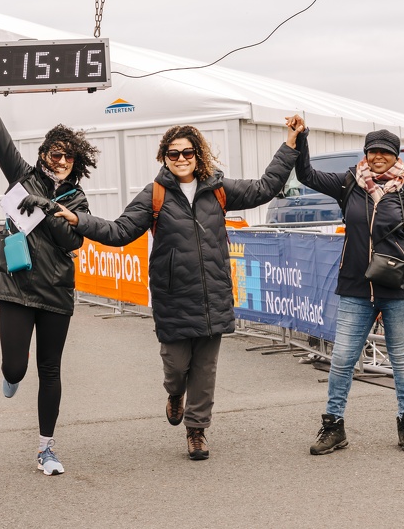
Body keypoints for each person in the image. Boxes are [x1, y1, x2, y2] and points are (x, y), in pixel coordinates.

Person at [53, 122, 301, 461]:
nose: (181, 158)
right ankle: (174, 395)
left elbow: (265, 187)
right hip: (172, 296)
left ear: (197, 155)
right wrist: (80, 221)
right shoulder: (154, 193)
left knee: (205, 368)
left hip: (213, 294)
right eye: (174, 153)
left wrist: (289, 145)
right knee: (176, 366)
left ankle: (197, 430)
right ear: (165, 157)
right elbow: (120, 230)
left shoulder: (218, 188)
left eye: (187, 152)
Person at [0, 60, 99, 477]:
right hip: (17, 286)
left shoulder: (77, 200)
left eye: (68, 158)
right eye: (55, 155)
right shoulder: (22, 177)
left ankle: (46, 448)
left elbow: (72, 241)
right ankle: (10, 376)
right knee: (15, 368)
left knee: (50, 370)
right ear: (43, 155)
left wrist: (50, 208)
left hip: (56, 292)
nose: (61, 162)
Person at [289, 121, 404, 454]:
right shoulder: (348, 184)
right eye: (373, 151)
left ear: (394, 155)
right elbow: (306, 174)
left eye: (385, 151)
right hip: (356, 287)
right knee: (341, 359)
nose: (378, 157)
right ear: (365, 155)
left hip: (398, 288)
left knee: (402, 361)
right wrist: (302, 139)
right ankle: (333, 427)